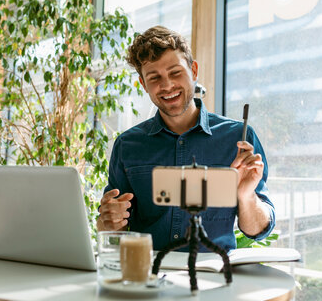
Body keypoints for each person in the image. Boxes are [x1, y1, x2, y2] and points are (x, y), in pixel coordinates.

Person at [97, 26, 275, 252]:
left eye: (175, 72)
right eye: (154, 78)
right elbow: (113, 231)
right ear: (143, 84)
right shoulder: (127, 145)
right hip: (148, 275)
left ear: (193, 70)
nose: (167, 85)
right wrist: (107, 221)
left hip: (214, 276)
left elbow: (257, 230)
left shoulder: (239, 138)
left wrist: (246, 195)